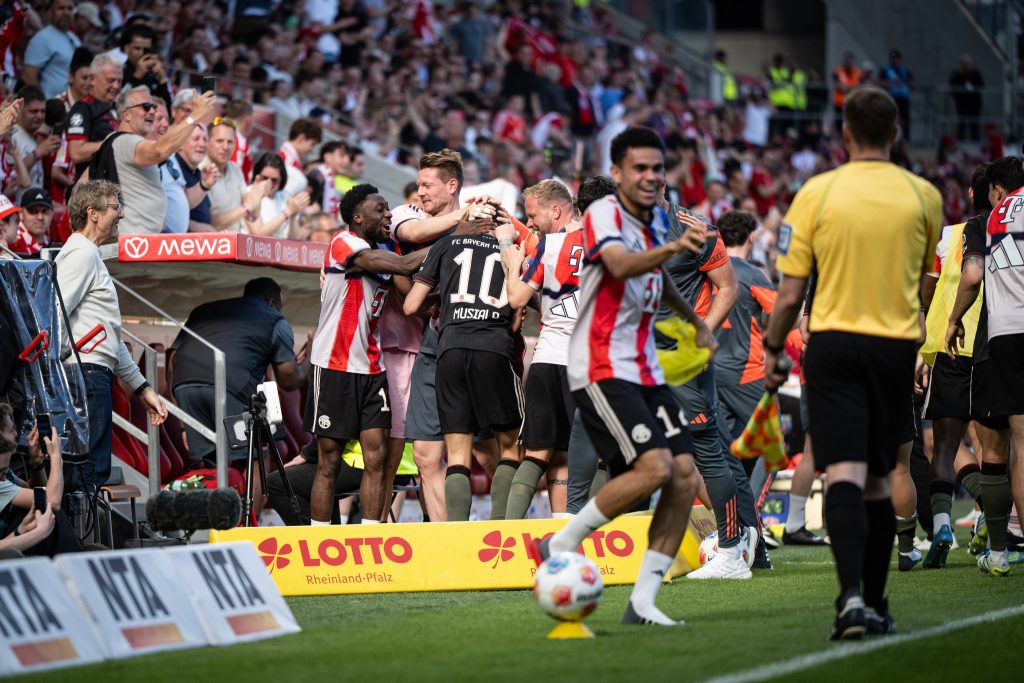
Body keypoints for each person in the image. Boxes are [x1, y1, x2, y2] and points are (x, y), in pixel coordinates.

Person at [764, 86, 942, 638]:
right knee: (878, 480)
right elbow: (922, 280)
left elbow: (791, 292)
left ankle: (848, 603)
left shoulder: (816, 192)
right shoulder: (924, 196)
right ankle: (878, 602)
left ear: (844, 135)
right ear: (895, 134)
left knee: (840, 470)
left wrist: (773, 349)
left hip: (834, 344)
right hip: (893, 347)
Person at [527, 126, 714, 626]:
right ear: (617, 173)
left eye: (657, 168)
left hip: (646, 368)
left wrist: (695, 322)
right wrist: (675, 250)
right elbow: (620, 264)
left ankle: (643, 602)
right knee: (654, 469)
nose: (651, 176)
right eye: (640, 168)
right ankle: (562, 539)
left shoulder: (653, 221)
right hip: (601, 364)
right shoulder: (605, 214)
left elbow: (655, 279)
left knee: (681, 477)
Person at [307, 184, 427, 527]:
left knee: (378, 458)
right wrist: (453, 239)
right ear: (358, 217)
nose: (388, 214)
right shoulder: (343, 242)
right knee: (328, 461)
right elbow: (403, 263)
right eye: (381, 209)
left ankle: (369, 541)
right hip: (333, 366)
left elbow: (409, 297)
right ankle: (321, 542)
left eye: (389, 208)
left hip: (373, 370)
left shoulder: (382, 252)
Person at [389, 149, 499, 522]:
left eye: (428, 185)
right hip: (430, 344)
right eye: (419, 184)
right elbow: (414, 235)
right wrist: (465, 216)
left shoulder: (484, 223)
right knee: (424, 453)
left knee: (485, 450)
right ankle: (447, 538)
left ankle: (510, 525)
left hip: (473, 338)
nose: (420, 192)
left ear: (452, 186)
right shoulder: (408, 214)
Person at [656, 199, 763, 579]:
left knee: (711, 453)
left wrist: (702, 336)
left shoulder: (694, 228)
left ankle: (735, 549)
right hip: (639, 362)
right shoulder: (619, 227)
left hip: (688, 363)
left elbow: (728, 288)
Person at [402, 194, 524, 522]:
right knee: (510, 447)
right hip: (494, 349)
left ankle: (459, 540)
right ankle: (503, 532)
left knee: (457, 456)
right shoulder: (513, 251)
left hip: (450, 349)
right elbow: (518, 314)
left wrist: (444, 304)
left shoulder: (446, 245)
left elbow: (411, 306)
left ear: (465, 217)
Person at [54, 180, 168, 489]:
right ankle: (78, 539)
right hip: (85, 375)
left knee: (91, 470)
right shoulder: (81, 255)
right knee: (87, 472)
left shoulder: (88, 255)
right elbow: (54, 315)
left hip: (90, 374)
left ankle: (81, 538)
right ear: (92, 213)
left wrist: (142, 388)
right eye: (116, 207)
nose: (121, 215)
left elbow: (109, 336)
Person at [946, 155, 1024, 576]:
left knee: (996, 449)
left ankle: (998, 549)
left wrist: (954, 319)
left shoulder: (987, 220)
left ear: (995, 190)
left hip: (1001, 338)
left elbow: (972, 274)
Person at [917, 163, 992, 569]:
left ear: (969, 194)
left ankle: (943, 524)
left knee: (942, 446)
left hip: (949, 346)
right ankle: (999, 527)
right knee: (992, 447)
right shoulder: (1006, 234)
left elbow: (927, 287)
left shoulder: (950, 235)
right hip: (990, 345)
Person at [166, 278, 311, 465]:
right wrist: (311, 355)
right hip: (231, 387)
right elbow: (289, 382)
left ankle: (217, 494)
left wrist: (184, 425)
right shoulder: (275, 319)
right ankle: (254, 494)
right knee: (257, 455)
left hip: (184, 386)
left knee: (209, 460)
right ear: (273, 303)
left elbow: (172, 363)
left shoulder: (203, 311)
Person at [499, 179, 579, 518]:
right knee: (596, 452)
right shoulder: (607, 244)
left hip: (548, 359)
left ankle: (504, 538)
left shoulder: (550, 246)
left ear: (556, 210)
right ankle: (600, 538)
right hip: (588, 364)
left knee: (536, 454)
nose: (530, 222)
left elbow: (515, 298)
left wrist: (511, 262)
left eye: (533, 215)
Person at [714, 211, 778, 510]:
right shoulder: (751, 273)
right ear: (752, 236)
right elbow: (782, 317)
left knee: (724, 452)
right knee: (771, 447)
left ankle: (728, 520)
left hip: (711, 370)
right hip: (746, 370)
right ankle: (750, 519)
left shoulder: (706, 270)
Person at [110, 86, 216, 234]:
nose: (165, 124)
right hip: (136, 240)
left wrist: (204, 184)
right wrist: (195, 115)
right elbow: (159, 151)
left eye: (154, 109)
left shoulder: (167, 156)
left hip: (159, 241)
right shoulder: (125, 141)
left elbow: (184, 201)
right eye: (147, 109)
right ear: (126, 115)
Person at [0, 404, 74, 556]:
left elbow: (36, 493)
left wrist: (37, 463)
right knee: (49, 511)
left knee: (40, 509)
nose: (16, 433)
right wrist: (56, 458)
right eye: (10, 429)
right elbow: (53, 502)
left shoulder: (5, 471)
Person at [64, 53, 122, 179]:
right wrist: (116, 143)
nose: (116, 86)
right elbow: (76, 152)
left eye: (119, 81)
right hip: (92, 190)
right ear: (92, 79)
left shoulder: (118, 108)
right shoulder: (83, 108)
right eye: (111, 80)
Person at [203, 118, 264, 233]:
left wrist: (258, 194)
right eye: (219, 141)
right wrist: (246, 207)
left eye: (230, 142)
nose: (225, 147)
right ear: (207, 141)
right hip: (208, 246)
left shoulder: (236, 169)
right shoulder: (200, 170)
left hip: (233, 245)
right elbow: (209, 222)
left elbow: (253, 215)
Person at [22, 0, 79, 100]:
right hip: (52, 106)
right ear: (50, 12)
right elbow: (28, 76)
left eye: (70, 9)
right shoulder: (42, 39)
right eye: (61, 8)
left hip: (72, 106)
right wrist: (41, 105)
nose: (66, 12)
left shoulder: (74, 38)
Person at [247, 151, 311, 238]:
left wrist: (293, 215)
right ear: (257, 176)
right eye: (265, 178)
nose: (268, 182)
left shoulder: (284, 196)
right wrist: (287, 212)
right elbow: (258, 233)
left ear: (281, 180)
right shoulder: (249, 193)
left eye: (274, 180)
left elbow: (294, 239)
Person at [12, 85, 60, 197]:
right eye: (33, 111)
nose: (40, 116)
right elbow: (11, 177)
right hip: (17, 210)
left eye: (43, 111)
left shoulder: (33, 137)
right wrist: (37, 153)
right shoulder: (11, 138)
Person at [120, 23, 172, 110]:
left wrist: (162, 79)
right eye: (137, 48)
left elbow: (168, 108)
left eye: (146, 49)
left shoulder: (154, 74)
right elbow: (119, 103)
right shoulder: (118, 72)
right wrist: (137, 76)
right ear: (126, 48)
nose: (142, 53)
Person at [278, 117, 320, 198]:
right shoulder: (287, 158)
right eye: (312, 144)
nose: (311, 149)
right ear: (301, 138)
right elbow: (284, 192)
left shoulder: (291, 158)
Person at [11, 188, 54, 254]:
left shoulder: (50, 241)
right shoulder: (12, 243)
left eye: (44, 211)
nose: (40, 217)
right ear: (21, 213)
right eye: (33, 211)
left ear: (51, 214)